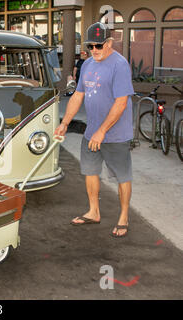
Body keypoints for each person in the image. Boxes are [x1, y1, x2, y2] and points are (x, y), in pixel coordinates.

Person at [54, 22, 134, 238]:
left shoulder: (120, 65)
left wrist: (102, 131)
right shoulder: (87, 65)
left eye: (99, 46)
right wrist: (65, 123)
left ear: (109, 43)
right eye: (91, 46)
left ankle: (124, 216)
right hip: (92, 132)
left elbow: (121, 103)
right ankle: (93, 211)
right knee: (90, 171)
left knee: (122, 175)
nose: (95, 50)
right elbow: (78, 95)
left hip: (115, 135)